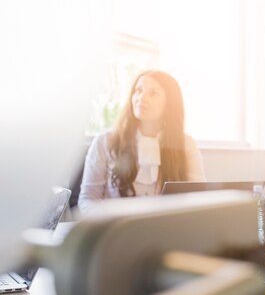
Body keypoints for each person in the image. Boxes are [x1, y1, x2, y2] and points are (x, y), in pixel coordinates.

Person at [78, 70, 205, 214]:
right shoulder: (105, 142)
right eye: (138, 90)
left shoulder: (186, 145)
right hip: (116, 232)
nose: (141, 97)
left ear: (170, 103)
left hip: (165, 232)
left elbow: (198, 200)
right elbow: (87, 200)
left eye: (153, 93)